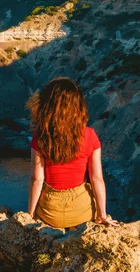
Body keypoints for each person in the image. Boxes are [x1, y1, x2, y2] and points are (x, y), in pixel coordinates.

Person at [27, 77, 119, 228]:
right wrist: (102, 214)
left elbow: (36, 179)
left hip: (51, 213)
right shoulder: (90, 135)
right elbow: (97, 179)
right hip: (81, 213)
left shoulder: (41, 136)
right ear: (78, 107)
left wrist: (30, 215)